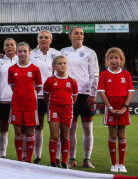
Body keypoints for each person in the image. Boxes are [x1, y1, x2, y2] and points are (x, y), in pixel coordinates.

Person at [60, 26, 99, 168]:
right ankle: (72, 158)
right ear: (70, 36)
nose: (80, 35)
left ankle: (87, 159)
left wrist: (93, 93)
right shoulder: (64, 52)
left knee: (88, 128)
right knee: (71, 129)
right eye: (76, 33)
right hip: (69, 95)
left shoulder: (90, 52)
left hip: (86, 95)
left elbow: (94, 73)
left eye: (81, 33)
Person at [97, 47, 133, 172]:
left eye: (116, 58)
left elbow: (130, 92)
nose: (113, 60)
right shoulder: (104, 74)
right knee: (112, 134)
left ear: (121, 60)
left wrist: (125, 107)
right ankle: (114, 164)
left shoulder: (126, 74)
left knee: (122, 134)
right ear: (107, 60)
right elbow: (102, 92)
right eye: (111, 58)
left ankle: (121, 164)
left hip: (123, 108)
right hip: (110, 108)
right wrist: (110, 107)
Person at [9, 42, 42, 163]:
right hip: (17, 104)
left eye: (25, 51)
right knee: (18, 132)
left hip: (30, 105)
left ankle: (28, 159)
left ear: (29, 52)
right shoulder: (12, 69)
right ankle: (19, 159)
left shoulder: (35, 69)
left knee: (29, 132)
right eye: (20, 51)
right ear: (16, 53)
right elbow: (13, 86)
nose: (22, 54)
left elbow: (38, 87)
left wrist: (28, 94)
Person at [29, 29, 60, 163]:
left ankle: (57, 158)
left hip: (54, 97)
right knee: (38, 126)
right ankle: (38, 157)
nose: (43, 39)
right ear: (37, 40)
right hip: (37, 97)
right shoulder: (31, 55)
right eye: (41, 37)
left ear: (51, 40)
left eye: (46, 37)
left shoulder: (57, 54)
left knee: (56, 128)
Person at [44, 55, 76, 168]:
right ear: (54, 66)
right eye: (60, 63)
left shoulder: (72, 81)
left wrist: (67, 104)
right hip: (54, 109)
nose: (63, 65)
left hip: (67, 110)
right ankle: (53, 162)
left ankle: (64, 162)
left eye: (64, 63)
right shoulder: (49, 81)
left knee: (65, 136)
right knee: (54, 136)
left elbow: (74, 97)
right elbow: (46, 96)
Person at [0, 38, 18, 158]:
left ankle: (22, 157)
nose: (9, 47)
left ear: (16, 47)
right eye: (7, 45)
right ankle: (2, 156)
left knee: (20, 130)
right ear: (4, 48)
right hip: (3, 99)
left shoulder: (23, 60)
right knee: (3, 129)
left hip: (19, 101)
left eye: (12, 45)